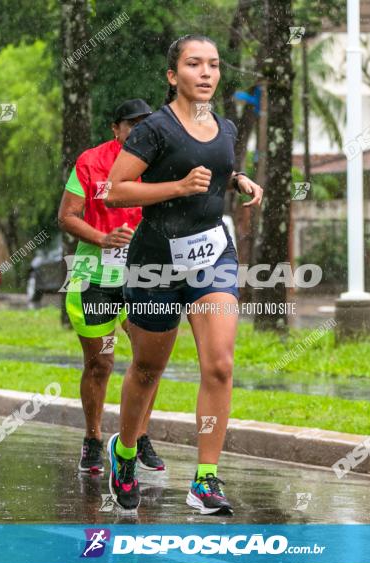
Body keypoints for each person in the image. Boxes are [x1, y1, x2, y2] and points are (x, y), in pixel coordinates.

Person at [104, 35, 263, 514]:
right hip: (155, 261)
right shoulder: (153, 129)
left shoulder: (226, 127)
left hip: (213, 255)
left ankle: (206, 479)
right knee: (149, 368)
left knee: (219, 364)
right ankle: (125, 453)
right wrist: (175, 186)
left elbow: (215, 171)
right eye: (194, 64)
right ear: (174, 76)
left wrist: (237, 180)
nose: (206, 73)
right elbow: (115, 191)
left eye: (213, 65)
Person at [57, 99, 165, 475]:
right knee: (100, 362)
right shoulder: (90, 161)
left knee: (148, 362)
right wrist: (103, 238)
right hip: (95, 276)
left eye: (145, 124)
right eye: (132, 124)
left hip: (145, 274)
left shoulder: (159, 162)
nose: (139, 131)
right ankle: (92, 438)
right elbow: (67, 216)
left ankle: (139, 436)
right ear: (115, 129)